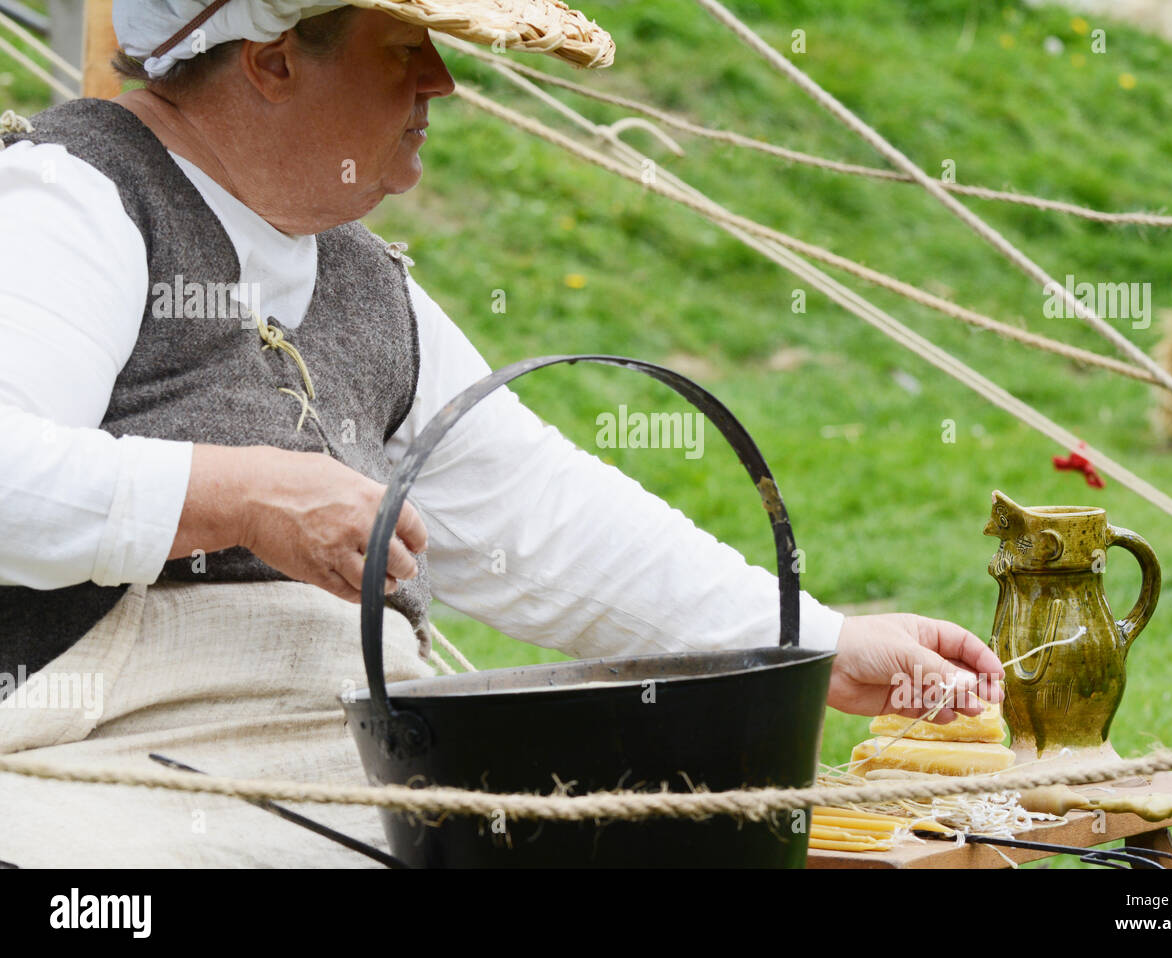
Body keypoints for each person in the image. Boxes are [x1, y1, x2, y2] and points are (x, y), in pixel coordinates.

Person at [0, 0, 1002, 866]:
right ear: (271, 56)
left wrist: (819, 643)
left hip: (337, 762)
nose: (444, 80)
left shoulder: (361, 279)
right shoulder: (71, 201)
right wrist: (241, 495)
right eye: (404, 46)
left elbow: (540, 521)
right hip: (100, 761)